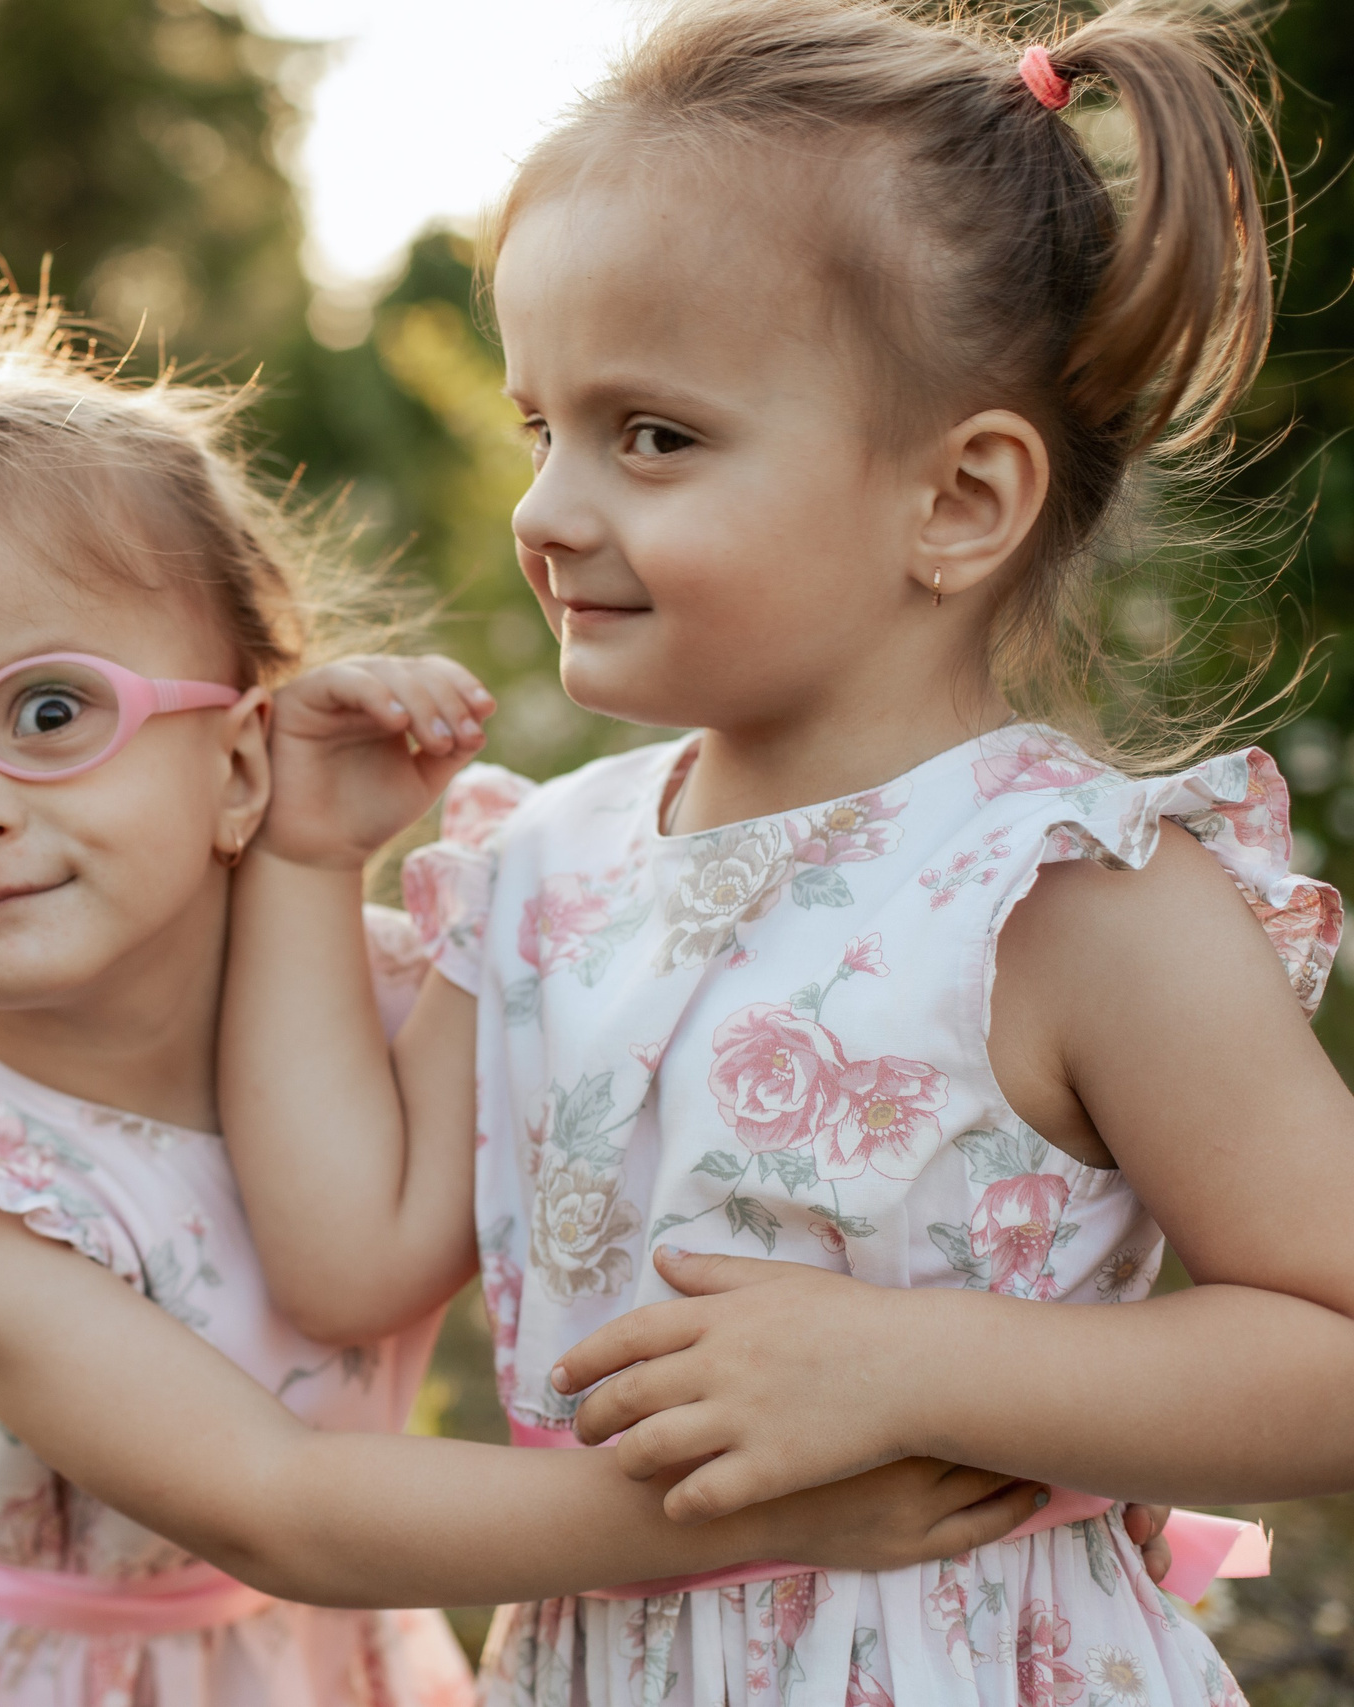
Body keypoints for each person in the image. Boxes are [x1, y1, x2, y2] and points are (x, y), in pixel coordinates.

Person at [217, 3, 1354, 1704]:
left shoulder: (1067, 894)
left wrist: (912, 1363)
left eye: (653, 436)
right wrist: (304, 872)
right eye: (543, 429)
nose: (545, 510)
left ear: (960, 501)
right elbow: (350, 1257)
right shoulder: (542, 868)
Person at [0, 294, 1055, 1707]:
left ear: (235, 760)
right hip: (38, 1669)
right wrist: (759, 1515)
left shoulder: (383, 989)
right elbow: (272, 1501)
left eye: (47, 714)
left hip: (311, 1650)